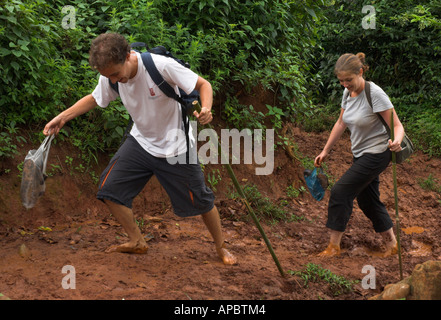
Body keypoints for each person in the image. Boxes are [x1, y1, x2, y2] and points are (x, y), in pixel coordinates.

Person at [43, 33, 236, 265]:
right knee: (109, 189)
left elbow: (203, 84)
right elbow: (95, 98)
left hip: (176, 147)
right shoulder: (111, 77)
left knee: (202, 201)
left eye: (115, 73)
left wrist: (206, 108)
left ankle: (221, 247)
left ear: (128, 56)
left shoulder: (160, 66)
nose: (113, 79)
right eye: (107, 76)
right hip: (141, 143)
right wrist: (62, 118)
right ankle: (137, 241)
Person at [314, 52, 405, 257]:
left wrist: (397, 141)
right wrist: (326, 150)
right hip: (360, 154)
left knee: (340, 191)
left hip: (378, 153)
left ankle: (333, 246)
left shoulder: (375, 94)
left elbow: (397, 126)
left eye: (349, 79)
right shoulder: (347, 93)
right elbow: (341, 123)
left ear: (360, 72)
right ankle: (392, 244)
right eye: (341, 81)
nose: (345, 84)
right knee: (368, 200)